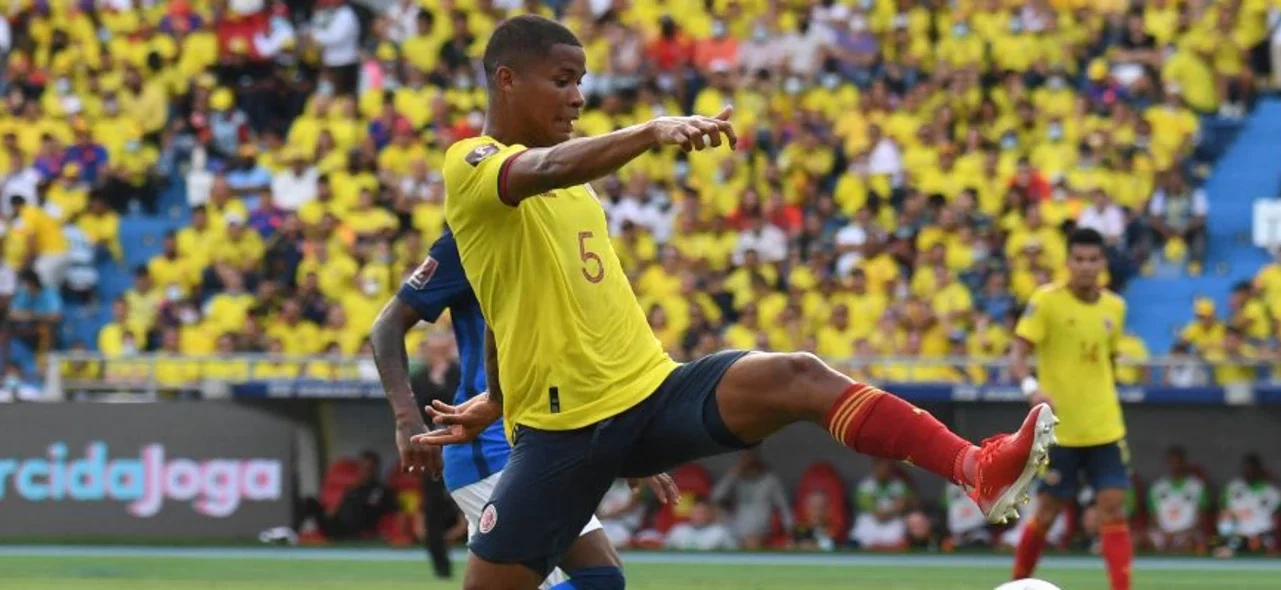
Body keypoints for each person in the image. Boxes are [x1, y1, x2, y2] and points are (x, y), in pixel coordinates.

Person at [416, 15, 1054, 590]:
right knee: (582, 583)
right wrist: (651, 129)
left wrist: (498, 395)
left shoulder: (576, 191)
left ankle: (975, 467)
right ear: (506, 80)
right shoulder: (471, 164)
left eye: (580, 82)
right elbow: (538, 194)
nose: (578, 97)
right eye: (562, 81)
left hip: (647, 396)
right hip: (563, 435)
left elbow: (506, 299)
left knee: (797, 374)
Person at [369, 228, 678, 587]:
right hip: (489, 448)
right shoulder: (474, 236)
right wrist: (406, 417)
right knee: (600, 578)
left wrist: (627, 435)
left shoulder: (563, 234)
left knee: (591, 578)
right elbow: (387, 324)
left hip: (544, 443)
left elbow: (580, 357)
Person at [1009, 227, 1132, 590]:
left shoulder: (1115, 307)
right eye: (1079, 259)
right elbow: (1018, 355)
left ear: (1103, 263)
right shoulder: (1046, 301)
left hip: (1105, 427)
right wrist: (1032, 388)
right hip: (1059, 431)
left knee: (1112, 506)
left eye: (1093, 259)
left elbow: (1109, 361)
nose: (1086, 266)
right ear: (1068, 262)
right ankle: (1017, 584)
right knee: (1047, 512)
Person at [296, 450, 398, 540]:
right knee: (309, 502)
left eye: (369, 468)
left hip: (358, 530)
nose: (365, 472)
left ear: (375, 469)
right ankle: (292, 534)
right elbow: (343, 504)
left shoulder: (380, 490)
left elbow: (392, 511)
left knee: (358, 507)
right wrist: (332, 511)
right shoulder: (353, 487)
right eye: (362, 468)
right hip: (338, 525)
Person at [710, 449, 792, 550]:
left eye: (751, 459)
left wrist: (790, 527)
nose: (748, 463)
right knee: (719, 520)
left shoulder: (770, 480)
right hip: (738, 530)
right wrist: (733, 473)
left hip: (760, 530)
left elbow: (783, 506)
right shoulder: (737, 479)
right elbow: (716, 496)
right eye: (745, 460)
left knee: (751, 545)